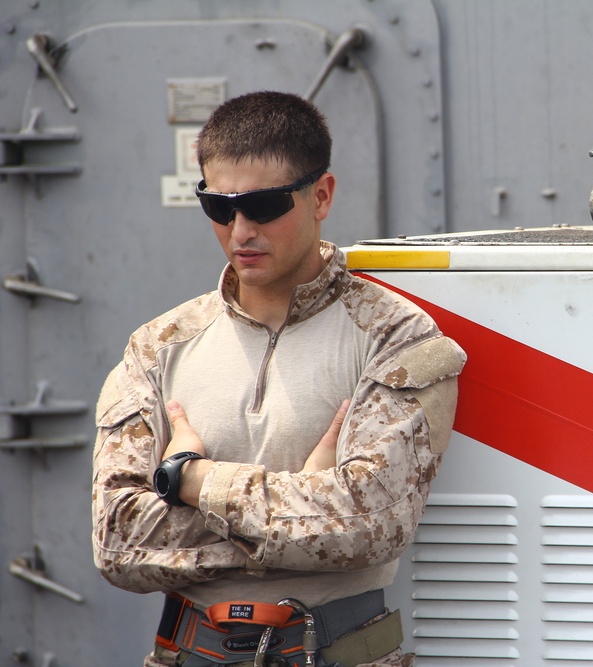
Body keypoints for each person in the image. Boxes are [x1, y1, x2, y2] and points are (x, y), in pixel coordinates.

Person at [91, 90, 466, 667]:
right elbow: (119, 541)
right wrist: (297, 513)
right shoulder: (159, 346)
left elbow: (369, 525)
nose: (241, 230)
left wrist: (189, 480)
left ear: (321, 196)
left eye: (264, 206)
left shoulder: (396, 338)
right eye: (220, 207)